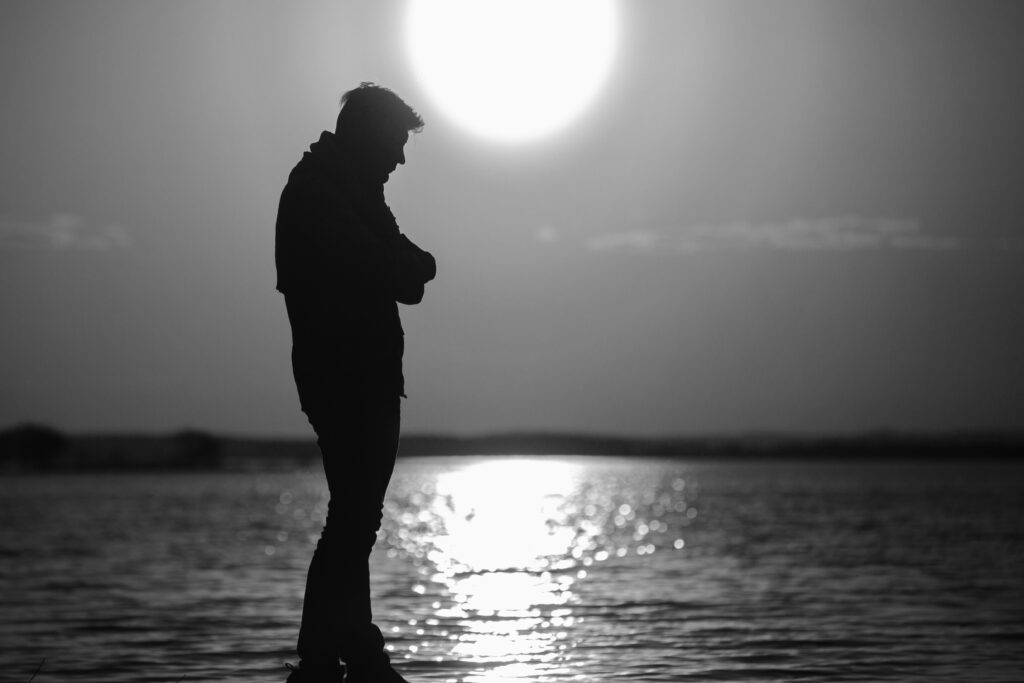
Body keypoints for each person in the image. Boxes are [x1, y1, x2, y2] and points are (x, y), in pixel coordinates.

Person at [275, 83, 436, 683]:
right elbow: (393, 268)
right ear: (367, 135)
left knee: (354, 519)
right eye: (395, 144)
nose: (399, 159)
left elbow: (406, 272)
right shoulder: (318, 192)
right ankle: (328, 660)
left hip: (364, 375)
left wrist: (409, 265)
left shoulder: (356, 192)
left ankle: (352, 657)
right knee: (353, 520)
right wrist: (408, 265)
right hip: (342, 378)